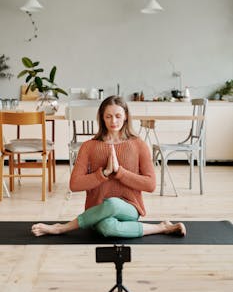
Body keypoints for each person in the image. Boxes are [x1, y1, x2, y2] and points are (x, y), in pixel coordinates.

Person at [32, 95, 186, 238]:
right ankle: (162, 227)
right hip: (97, 210)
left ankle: (61, 228)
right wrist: (104, 174)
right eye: (108, 116)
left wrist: (120, 172)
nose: (113, 121)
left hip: (129, 208)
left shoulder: (138, 145)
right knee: (108, 228)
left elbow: (151, 185)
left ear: (125, 117)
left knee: (112, 204)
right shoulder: (89, 146)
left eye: (118, 116)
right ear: (102, 118)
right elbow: (75, 184)